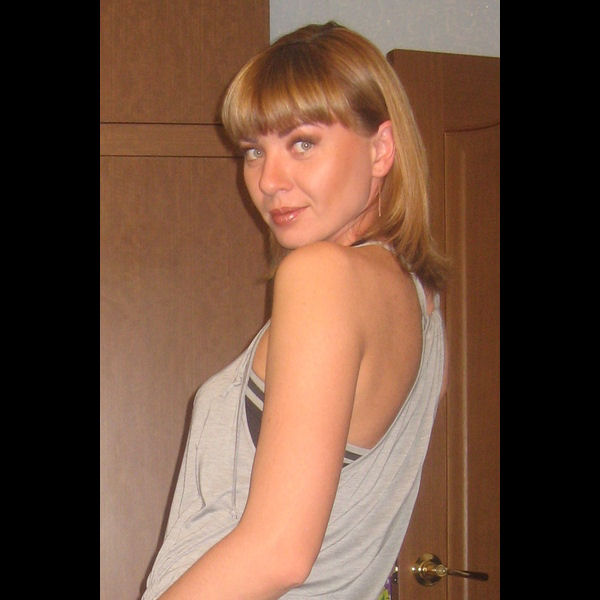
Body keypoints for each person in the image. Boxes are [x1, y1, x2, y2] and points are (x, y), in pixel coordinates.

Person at [142, 21, 448, 600]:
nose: (269, 180)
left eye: (302, 142)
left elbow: (279, 552)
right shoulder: (421, 304)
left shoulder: (322, 275)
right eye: (254, 151)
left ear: (381, 149)